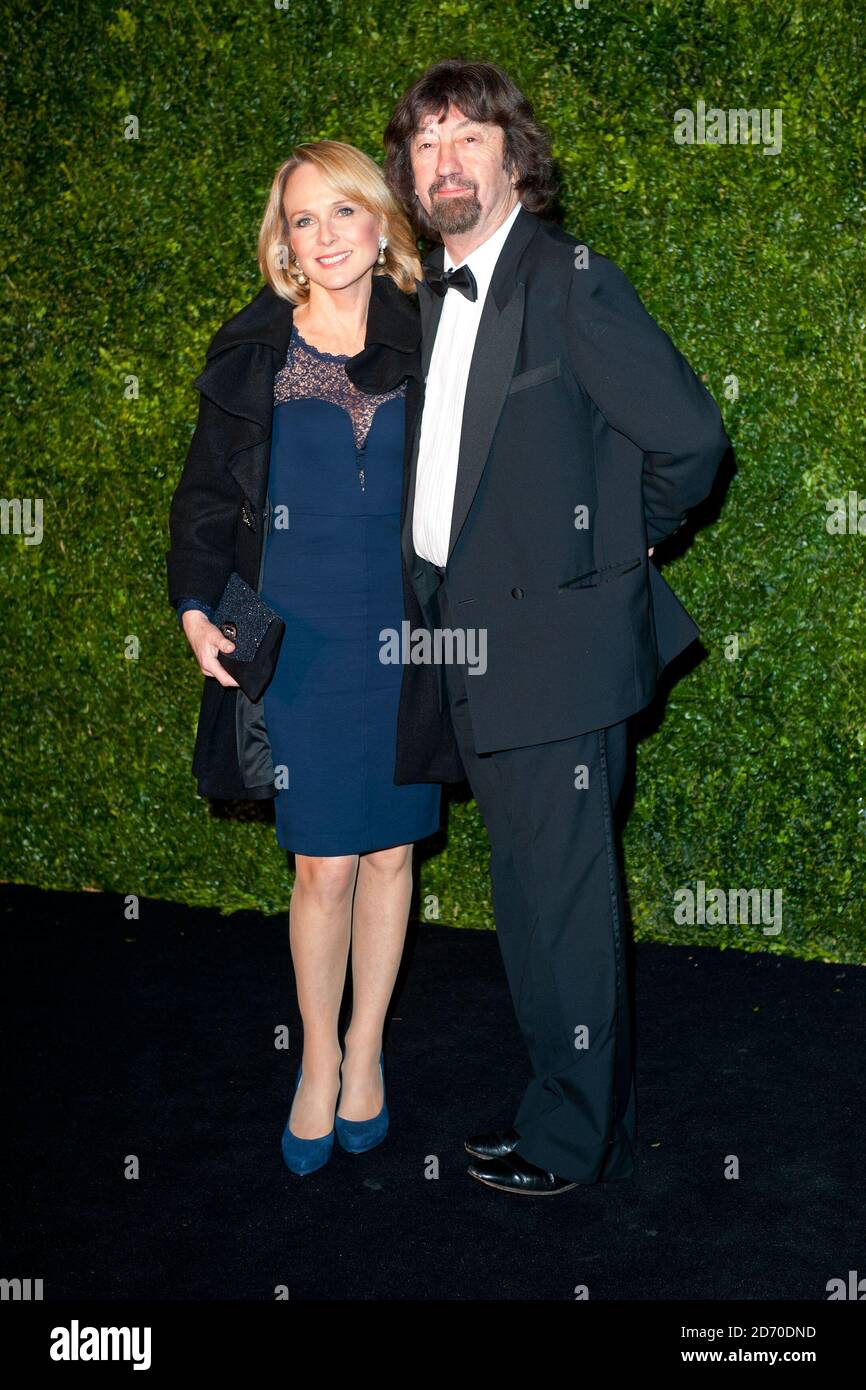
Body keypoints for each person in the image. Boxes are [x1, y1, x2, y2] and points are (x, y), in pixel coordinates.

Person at [382, 59, 731, 1195]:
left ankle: (573, 1141)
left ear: (512, 159)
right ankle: (556, 1108)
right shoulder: (429, 294)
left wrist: (609, 550)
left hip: (555, 655)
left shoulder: (568, 278)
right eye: (426, 145)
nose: (445, 162)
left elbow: (688, 440)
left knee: (563, 904)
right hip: (461, 644)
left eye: (467, 139)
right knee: (527, 897)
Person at [166, 141, 440, 1176]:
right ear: (281, 244)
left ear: (380, 224)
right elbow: (201, 500)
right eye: (298, 221)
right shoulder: (253, 354)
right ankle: (315, 1058)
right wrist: (196, 607)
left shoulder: (433, 340)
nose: (320, 237)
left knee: (391, 854)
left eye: (339, 213)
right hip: (302, 639)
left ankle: (368, 1045)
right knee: (322, 863)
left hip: (406, 635)